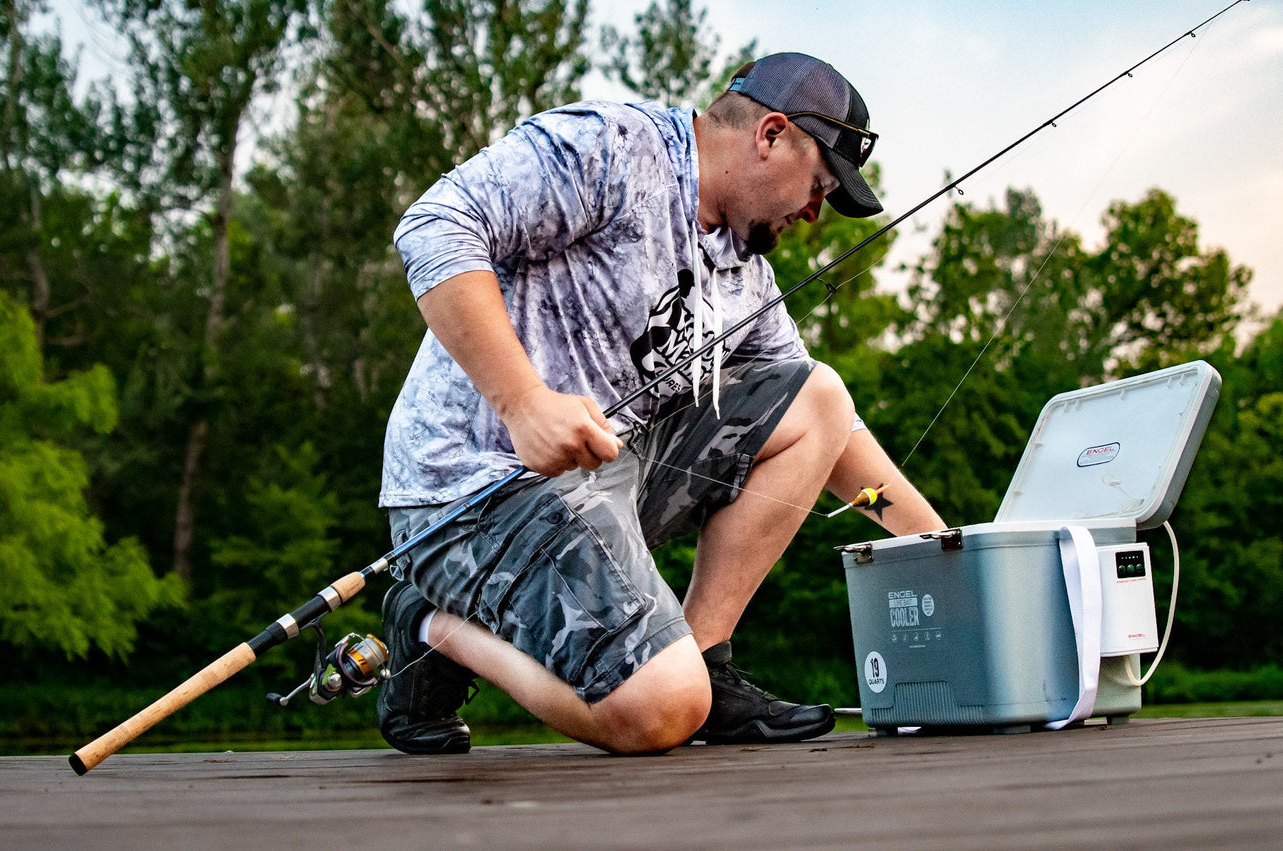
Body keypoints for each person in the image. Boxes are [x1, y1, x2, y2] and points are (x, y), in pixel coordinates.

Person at [377, 52, 946, 755]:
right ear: (769, 135)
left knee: (818, 395)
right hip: (474, 488)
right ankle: (430, 624)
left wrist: (950, 555)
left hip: (607, 479)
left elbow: (835, 438)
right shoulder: (614, 148)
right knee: (658, 709)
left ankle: (704, 659)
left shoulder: (744, 274)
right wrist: (523, 402)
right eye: (819, 186)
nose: (814, 212)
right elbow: (434, 224)